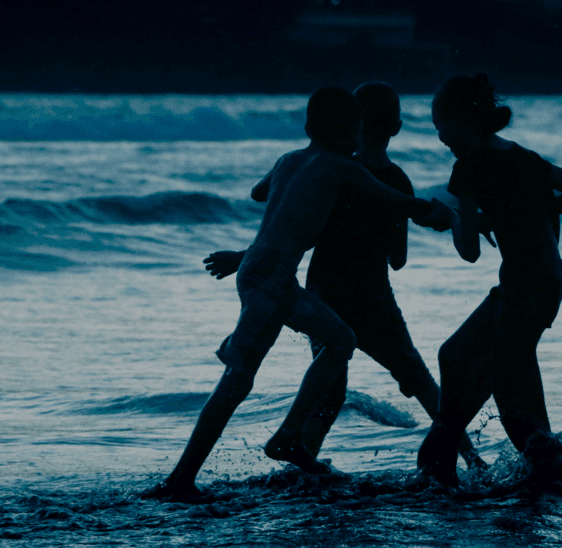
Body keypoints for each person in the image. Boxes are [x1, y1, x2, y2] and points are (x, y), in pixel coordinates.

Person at [145, 86, 442, 501]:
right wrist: (448, 213)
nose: (361, 136)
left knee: (336, 343)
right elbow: (404, 204)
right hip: (273, 275)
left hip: (260, 268)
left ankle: (278, 438)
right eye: (357, 127)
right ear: (347, 130)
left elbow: (259, 193)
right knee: (241, 380)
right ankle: (192, 475)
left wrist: (300, 192)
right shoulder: (342, 167)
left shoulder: (289, 159)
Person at [204, 82, 486, 470]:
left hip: (323, 290)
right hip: (372, 297)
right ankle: (472, 459)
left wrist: (243, 257)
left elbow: (294, 224)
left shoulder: (326, 166)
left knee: (329, 392)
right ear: (397, 126)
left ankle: (301, 467)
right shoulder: (389, 178)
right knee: (419, 380)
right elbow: (398, 258)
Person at [416, 73, 562, 487]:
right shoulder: (523, 156)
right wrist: (511, 215)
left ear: (460, 121)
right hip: (546, 280)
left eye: (440, 127)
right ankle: (448, 446)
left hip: (522, 286)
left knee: (510, 384)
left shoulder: (468, 166)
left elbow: (469, 252)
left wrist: (453, 217)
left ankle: (552, 471)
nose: (440, 138)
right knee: (457, 354)